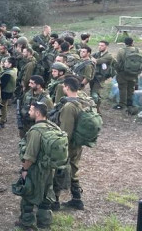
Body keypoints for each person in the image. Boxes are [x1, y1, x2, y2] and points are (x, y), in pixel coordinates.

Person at [16, 102, 59, 231]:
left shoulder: (36, 131)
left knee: (28, 194)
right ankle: (44, 222)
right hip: (49, 167)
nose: (29, 112)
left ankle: (27, 224)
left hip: (36, 168)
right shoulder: (54, 126)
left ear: (38, 113)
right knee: (46, 193)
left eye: (31, 110)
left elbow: (30, 155)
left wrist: (25, 169)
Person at [52, 77, 89, 211]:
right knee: (73, 169)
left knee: (58, 170)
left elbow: (65, 131)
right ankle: (77, 199)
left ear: (67, 87)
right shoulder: (83, 101)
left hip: (69, 144)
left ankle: (54, 202)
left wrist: (60, 148)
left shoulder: (69, 107)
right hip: (78, 143)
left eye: (63, 86)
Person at [114, 37, 140, 113]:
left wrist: (117, 70)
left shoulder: (121, 51)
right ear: (132, 42)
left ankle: (122, 104)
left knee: (122, 88)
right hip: (134, 73)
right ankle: (129, 102)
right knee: (131, 88)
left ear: (125, 43)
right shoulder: (137, 50)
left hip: (123, 72)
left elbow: (119, 62)